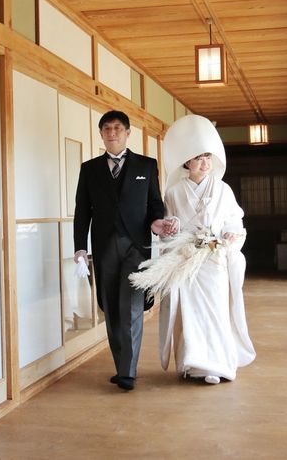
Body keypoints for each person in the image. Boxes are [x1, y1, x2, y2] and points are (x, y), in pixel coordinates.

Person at [130, 114, 256, 384]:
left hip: (214, 260)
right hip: (187, 259)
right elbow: (167, 226)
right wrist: (172, 226)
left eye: (208, 157)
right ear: (186, 162)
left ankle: (218, 365)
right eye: (198, 158)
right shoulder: (174, 192)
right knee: (191, 314)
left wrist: (230, 233)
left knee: (216, 311)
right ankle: (193, 364)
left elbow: (234, 220)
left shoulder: (223, 190)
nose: (204, 163)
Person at [73, 110, 177, 391]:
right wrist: (80, 248)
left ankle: (128, 372)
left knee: (131, 306)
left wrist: (157, 223)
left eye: (117, 128)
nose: (112, 133)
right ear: (101, 134)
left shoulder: (147, 165)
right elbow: (82, 212)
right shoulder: (89, 169)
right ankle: (122, 366)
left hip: (136, 247)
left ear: (128, 133)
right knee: (110, 307)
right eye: (106, 128)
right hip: (104, 247)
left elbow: (154, 203)